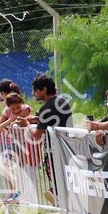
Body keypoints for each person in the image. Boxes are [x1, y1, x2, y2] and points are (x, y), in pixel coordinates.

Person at [27, 74, 73, 205]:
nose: (33, 93)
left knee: (58, 183)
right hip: (67, 148)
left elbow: (37, 135)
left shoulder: (46, 108)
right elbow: (55, 119)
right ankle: (64, 203)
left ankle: (62, 204)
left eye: (35, 90)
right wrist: (38, 119)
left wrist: (27, 125)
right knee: (64, 182)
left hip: (53, 151)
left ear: (44, 90)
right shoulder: (62, 102)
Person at [0, 92, 32, 204]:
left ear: (22, 103)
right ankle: (13, 192)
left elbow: (16, 118)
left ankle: (22, 193)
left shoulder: (26, 108)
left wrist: (3, 125)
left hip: (26, 142)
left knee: (22, 168)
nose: (16, 110)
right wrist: (4, 128)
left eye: (18, 107)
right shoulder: (7, 111)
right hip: (15, 142)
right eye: (13, 109)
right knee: (6, 164)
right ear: (8, 107)